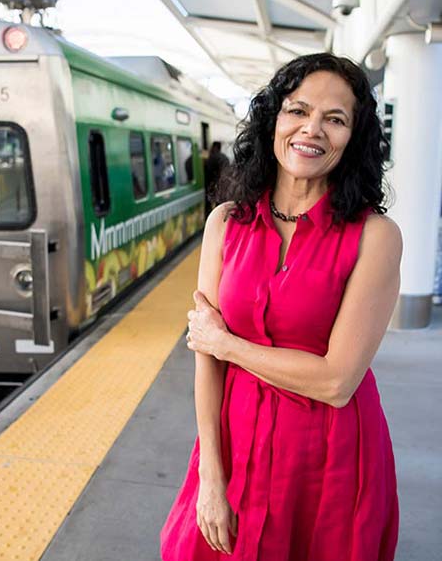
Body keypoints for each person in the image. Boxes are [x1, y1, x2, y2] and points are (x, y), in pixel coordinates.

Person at [160, 53, 401, 560]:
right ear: (274, 119)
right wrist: (210, 471)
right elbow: (206, 359)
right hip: (232, 438)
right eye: (298, 110)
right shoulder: (226, 222)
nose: (311, 129)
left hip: (330, 459)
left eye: (334, 119)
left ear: (352, 138)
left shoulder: (375, 237)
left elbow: (336, 382)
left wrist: (226, 343)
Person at [203, 141, 229, 218]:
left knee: (209, 205)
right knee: (220, 206)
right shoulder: (224, 158)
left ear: (214, 147)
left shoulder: (209, 158)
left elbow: (206, 172)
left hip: (210, 185)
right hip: (222, 186)